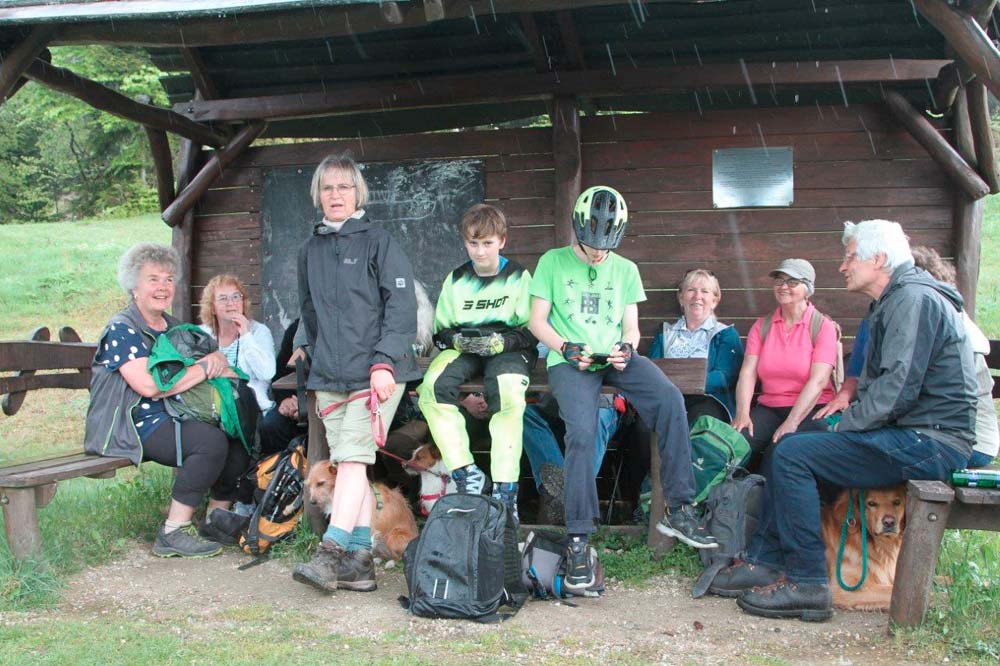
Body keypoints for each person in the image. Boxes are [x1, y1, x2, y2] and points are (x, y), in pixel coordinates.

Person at [717, 220, 977, 622]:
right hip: (917, 434)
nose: (843, 266)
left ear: (879, 259)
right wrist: (842, 425)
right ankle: (768, 561)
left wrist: (845, 426)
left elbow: (899, 388)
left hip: (931, 442)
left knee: (794, 454)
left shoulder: (913, 300)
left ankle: (807, 583)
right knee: (796, 446)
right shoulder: (897, 300)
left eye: (850, 256)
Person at [528, 185, 717, 592]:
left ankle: (680, 507)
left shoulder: (626, 269)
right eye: (592, 244)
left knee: (669, 398)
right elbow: (536, 320)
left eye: (606, 246)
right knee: (581, 431)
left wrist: (627, 347)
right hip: (571, 361)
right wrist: (564, 347)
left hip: (615, 357)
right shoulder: (552, 262)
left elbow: (630, 326)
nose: (599, 253)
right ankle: (579, 539)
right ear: (579, 230)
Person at [292, 152, 420, 595]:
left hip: (376, 373)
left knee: (350, 461)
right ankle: (361, 563)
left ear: (358, 193)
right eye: (327, 187)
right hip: (330, 376)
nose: (336, 195)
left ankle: (332, 553)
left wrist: (384, 361)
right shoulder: (308, 250)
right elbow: (309, 313)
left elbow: (402, 307)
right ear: (318, 194)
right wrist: (315, 358)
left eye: (344, 187)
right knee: (351, 465)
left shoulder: (379, 242)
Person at [83, 243, 247, 558]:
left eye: (168, 279)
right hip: (132, 423)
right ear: (134, 286)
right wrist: (203, 368)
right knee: (210, 443)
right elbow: (149, 386)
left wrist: (213, 360)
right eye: (153, 279)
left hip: (173, 413)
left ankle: (215, 519)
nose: (163, 287)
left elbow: (215, 362)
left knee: (236, 436)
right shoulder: (122, 329)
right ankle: (173, 531)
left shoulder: (173, 327)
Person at [817, 245, 997, 468]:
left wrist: (852, 422)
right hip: (914, 428)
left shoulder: (940, 317)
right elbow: (862, 376)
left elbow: (904, 389)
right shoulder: (881, 316)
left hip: (964, 442)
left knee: (826, 451)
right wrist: (845, 400)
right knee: (819, 438)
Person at [417, 203, 536, 522]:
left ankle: (505, 490)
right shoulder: (457, 278)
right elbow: (441, 330)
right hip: (467, 345)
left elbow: (532, 329)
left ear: (502, 241)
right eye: (473, 243)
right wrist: (457, 341)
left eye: (487, 243)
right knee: (431, 387)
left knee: (508, 394)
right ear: (464, 242)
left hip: (509, 346)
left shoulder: (518, 276)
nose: (480, 251)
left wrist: (503, 342)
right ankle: (466, 472)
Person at [731, 259, 837, 469]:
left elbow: (818, 381)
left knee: (781, 448)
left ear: (808, 289)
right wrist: (742, 413)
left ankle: (763, 489)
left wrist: (792, 422)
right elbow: (748, 373)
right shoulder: (762, 326)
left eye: (792, 282)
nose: (783, 286)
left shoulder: (823, 326)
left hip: (812, 408)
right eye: (779, 281)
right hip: (770, 407)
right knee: (736, 443)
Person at [649, 268, 743, 423]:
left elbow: (724, 377)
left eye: (705, 291)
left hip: (709, 401)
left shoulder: (725, 334)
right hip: (668, 399)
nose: (697, 296)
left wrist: (681, 383)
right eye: (691, 290)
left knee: (694, 422)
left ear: (714, 301)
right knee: (644, 426)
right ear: (681, 298)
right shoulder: (665, 333)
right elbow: (652, 370)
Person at [198, 274, 276, 416]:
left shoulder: (259, 331)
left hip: (251, 408)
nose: (231, 303)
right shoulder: (202, 334)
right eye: (223, 298)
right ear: (212, 308)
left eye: (236, 297)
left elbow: (267, 373)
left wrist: (246, 335)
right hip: (212, 407)